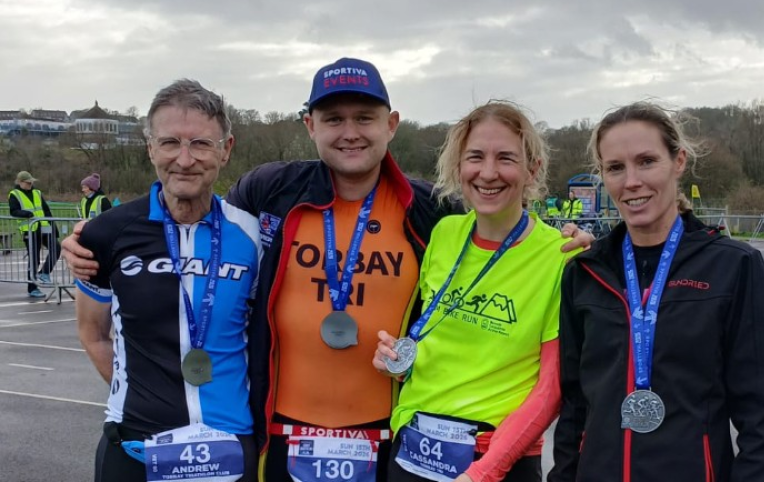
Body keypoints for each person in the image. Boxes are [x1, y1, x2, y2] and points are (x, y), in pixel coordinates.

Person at [62, 58, 592, 482]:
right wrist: (99, 241)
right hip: (282, 432)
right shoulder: (269, 190)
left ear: (391, 124)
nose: (350, 133)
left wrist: (569, 241)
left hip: (387, 438)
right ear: (309, 124)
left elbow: (497, 227)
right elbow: (197, 211)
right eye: (333, 119)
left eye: (364, 118)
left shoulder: (430, 209)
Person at [548, 102, 764, 482]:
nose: (631, 182)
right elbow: (575, 405)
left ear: (678, 161)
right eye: (615, 168)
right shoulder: (586, 271)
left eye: (646, 161)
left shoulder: (733, 266)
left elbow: (761, 416)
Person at [373, 101, 574, 482]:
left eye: (506, 158)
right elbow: (438, 339)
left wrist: (484, 471)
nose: (488, 173)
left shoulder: (560, 256)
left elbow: (551, 386)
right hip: (412, 453)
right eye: (475, 157)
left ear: (533, 169)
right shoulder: (445, 234)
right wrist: (399, 361)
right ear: (458, 166)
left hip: (495, 461)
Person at [74, 79, 261, 482]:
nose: (185, 159)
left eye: (201, 144)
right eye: (171, 142)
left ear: (226, 150)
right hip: (137, 445)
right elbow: (93, 334)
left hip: (228, 444)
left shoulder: (252, 235)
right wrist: (144, 397)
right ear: (151, 148)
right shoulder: (106, 233)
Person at [8, 170, 61, 298]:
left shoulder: (37, 192)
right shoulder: (14, 194)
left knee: (56, 248)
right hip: (29, 230)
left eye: (31, 182)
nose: (30, 184)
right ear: (20, 182)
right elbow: (13, 211)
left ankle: (44, 273)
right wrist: (27, 214)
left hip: (43, 227)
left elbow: (46, 210)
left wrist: (54, 228)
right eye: (27, 182)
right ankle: (32, 287)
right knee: (34, 258)